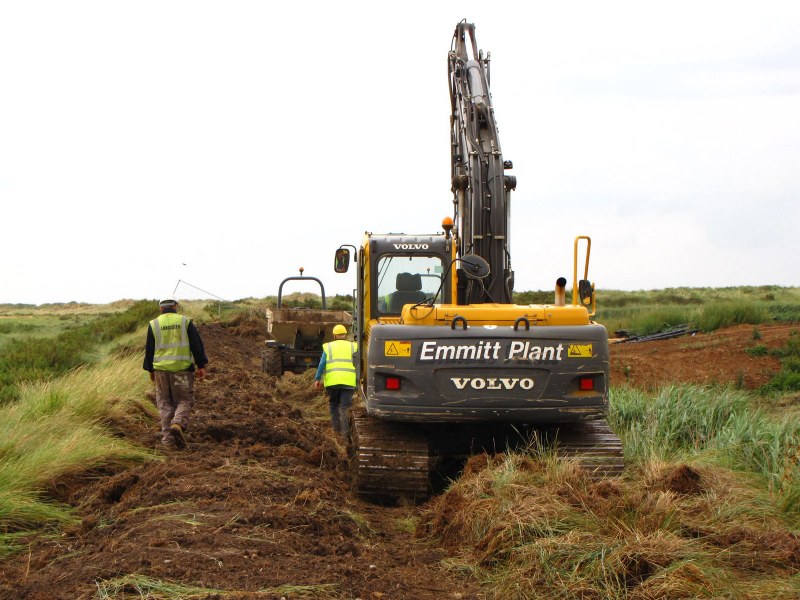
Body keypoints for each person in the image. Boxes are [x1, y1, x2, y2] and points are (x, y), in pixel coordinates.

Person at [143, 297, 208, 449]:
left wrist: (150, 370)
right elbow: (196, 345)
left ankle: (168, 441)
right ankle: (178, 423)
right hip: (181, 371)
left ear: (161, 308)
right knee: (184, 400)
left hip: (161, 372)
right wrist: (201, 365)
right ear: (176, 306)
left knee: (165, 404)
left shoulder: (154, 324)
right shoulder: (185, 322)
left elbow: (149, 350)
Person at [314, 324, 357, 438]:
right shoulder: (353, 346)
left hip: (333, 382)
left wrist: (317, 378)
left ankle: (336, 430)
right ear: (345, 335)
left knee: (333, 405)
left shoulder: (328, 347)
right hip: (349, 382)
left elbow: (322, 364)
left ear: (334, 335)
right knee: (345, 407)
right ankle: (345, 434)